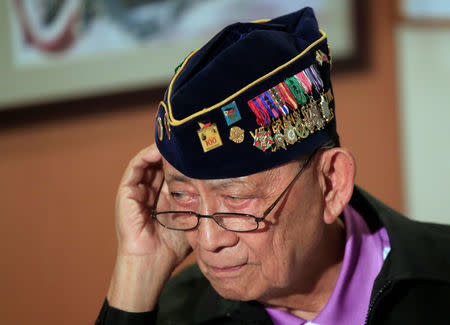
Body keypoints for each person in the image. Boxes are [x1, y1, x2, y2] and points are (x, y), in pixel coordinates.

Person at [96, 7, 450, 325]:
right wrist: (136, 273)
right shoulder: (181, 311)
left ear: (331, 183)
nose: (208, 240)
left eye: (236, 198)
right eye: (181, 194)